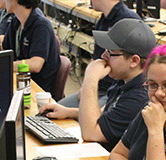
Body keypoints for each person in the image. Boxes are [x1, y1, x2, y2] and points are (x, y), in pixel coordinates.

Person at [40, 18, 157, 151]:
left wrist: (91, 78)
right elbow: (105, 114)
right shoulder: (124, 80)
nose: (103, 55)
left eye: (110, 52)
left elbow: (91, 134)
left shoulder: (139, 97)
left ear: (134, 61)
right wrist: (69, 112)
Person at [58, 0, 140, 108]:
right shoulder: (103, 19)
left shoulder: (128, 20)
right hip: (98, 86)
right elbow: (96, 57)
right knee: (48, 114)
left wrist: (90, 84)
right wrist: (85, 86)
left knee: (91, 118)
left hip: (113, 90)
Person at [2, 0, 61, 95]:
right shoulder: (16, 21)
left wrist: (5, 66)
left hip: (37, 89)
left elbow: (36, 64)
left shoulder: (41, 25)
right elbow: (4, 47)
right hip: (22, 81)